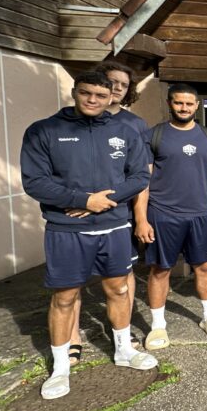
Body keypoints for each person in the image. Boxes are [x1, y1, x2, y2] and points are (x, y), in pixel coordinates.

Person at [21, 71, 156, 399]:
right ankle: (60, 367)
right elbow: (34, 182)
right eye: (86, 93)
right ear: (74, 92)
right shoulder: (45, 130)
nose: (93, 100)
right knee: (65, 297)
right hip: (67, 230)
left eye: (100, 94)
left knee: (119, 289)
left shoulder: (125, 131)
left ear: (112, 96)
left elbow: (140, 175)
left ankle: (124, 350)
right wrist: (83, 201)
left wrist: (103, 201)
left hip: (114, 226)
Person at [134, 84, 207, 349]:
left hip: (200, 214)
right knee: (160, 270)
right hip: (163, 214)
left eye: (189, 104)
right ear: (170, 103)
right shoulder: (154, 136)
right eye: (179, 103)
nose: (184, 108)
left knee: (204, 267)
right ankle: (157, 326)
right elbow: (143, 181)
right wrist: (141, 219)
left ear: (197, 105)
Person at [63, 60, 147, 364]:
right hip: (72, 216)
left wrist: (138, 216)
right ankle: (71, 337)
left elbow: (141, 176)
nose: (115, 89)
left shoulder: (134, 126)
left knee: (122, 278)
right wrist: (82, 200)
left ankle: (122, 333)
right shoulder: (65, 123)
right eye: (111, 82)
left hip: (117, 216)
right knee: (71, 282)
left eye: (122, 86)